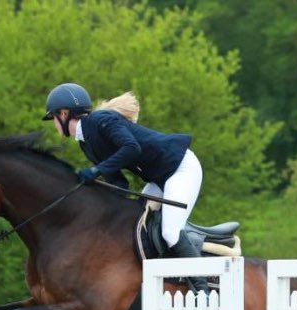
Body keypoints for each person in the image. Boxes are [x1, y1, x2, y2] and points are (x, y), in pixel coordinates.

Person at [43, 82, 209, 295]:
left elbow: (131, 147)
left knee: (170, 232)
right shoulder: (86, 142)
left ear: (64, 114)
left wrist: (96, 171)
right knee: (134, 221)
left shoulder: (100, 120)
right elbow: (119, 183)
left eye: (53, 118)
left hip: (180, 168)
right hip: (160, 179)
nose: (54, 124)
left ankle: (203, 293)